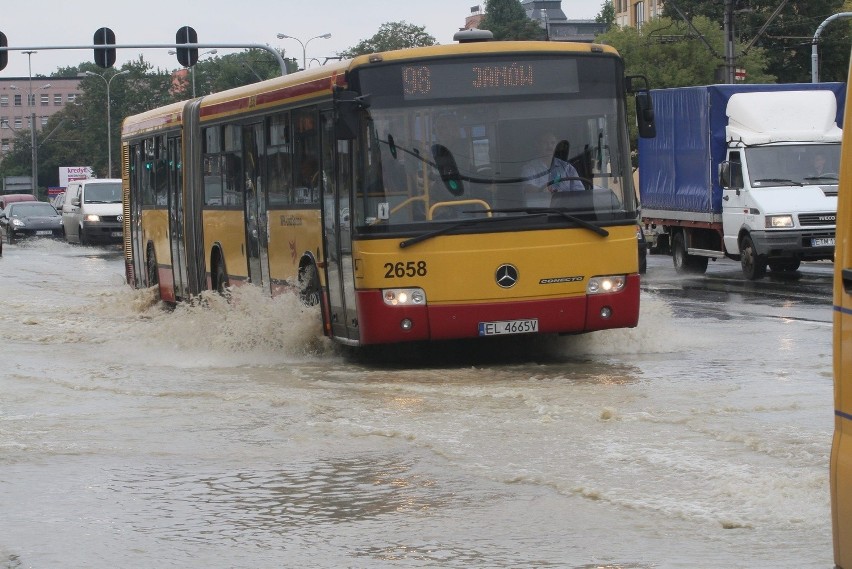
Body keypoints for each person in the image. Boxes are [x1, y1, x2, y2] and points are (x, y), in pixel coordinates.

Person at [521, 133, 584, 207]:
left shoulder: (567, 168)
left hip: (567, 214)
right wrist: (542, 191)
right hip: (540, 214)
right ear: (538, 145)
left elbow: (580, 193)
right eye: (545, 143)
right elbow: (527, 189)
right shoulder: (530, 168)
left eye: (553, 143)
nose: (549, 146)